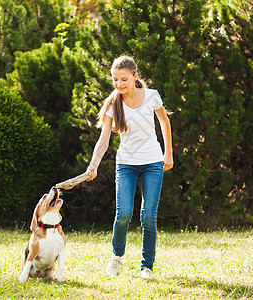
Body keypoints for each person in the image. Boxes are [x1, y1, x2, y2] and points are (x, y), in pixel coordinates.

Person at [86, 56, 173, 279]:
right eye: (115, 79)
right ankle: (117, 257)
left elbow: (164, 121)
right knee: (124, 213)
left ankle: (147, 266)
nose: (119, 84)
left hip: (152, 162)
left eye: (123, 79)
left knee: (148, 216)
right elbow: (103, 140)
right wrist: (93, 165)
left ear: (135, 77)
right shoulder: (113, 104)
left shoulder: (151, 96)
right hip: (126, 164)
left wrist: (168, 153)